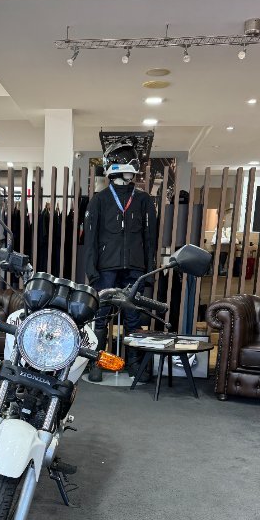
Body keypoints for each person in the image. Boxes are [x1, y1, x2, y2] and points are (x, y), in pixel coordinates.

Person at [84, 137, 157, 382]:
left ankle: (134, 364)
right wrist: (92, 271)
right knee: (101, 316)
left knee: (133, 317)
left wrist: (148, 271)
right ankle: (97, 362)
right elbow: (90, 239)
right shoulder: (99, 200)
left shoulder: (144, 200)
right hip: (106, 269)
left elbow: (150, 239)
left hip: (135, 268)